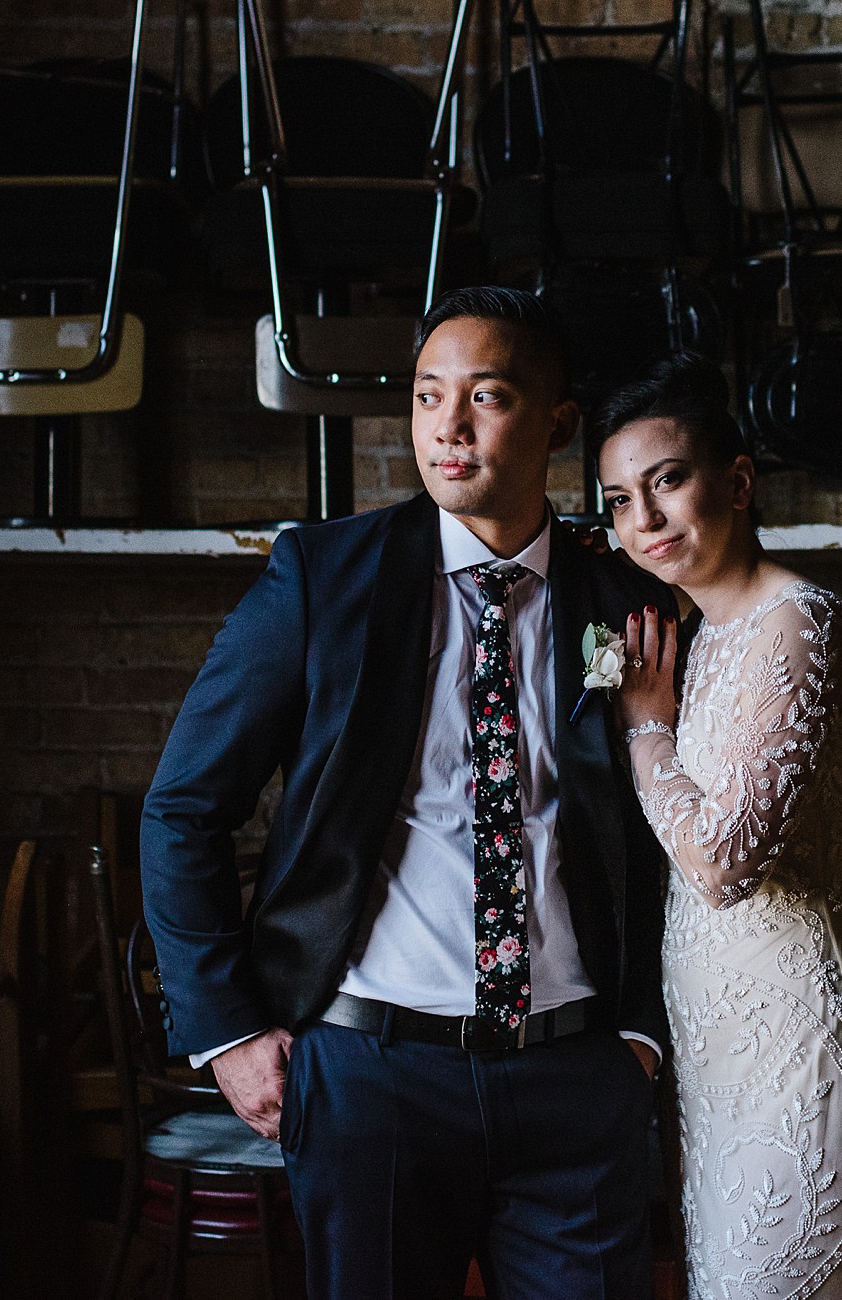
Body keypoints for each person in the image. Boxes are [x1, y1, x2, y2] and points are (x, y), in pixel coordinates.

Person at [139, 286, 674, 1300]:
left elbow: (651, 830)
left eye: (487, 396)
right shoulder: (321, 578)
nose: (450, 427)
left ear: (558, 424)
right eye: (429, 397)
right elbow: (182, 809)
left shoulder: (621, 602)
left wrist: (638, 1036)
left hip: (577, 1077)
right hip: (371, 1074)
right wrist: (230, 1033)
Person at [594, 353, 842, 1300]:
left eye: (666, 481)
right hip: (718, 1065)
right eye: (619, 500)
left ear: (737, 481)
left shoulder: (799, 624)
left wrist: (647, 729)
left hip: (799, 1056)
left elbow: (721, 861)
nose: (644, 520)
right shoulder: (701, 637)